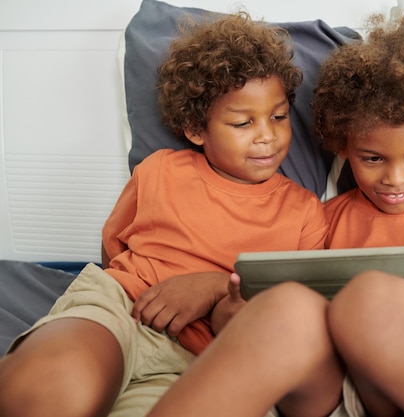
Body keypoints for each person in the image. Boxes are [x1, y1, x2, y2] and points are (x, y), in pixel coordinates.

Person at [145, 18, 404, 417]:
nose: (395, 179)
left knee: (375, 297)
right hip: (359, 383)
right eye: (372, 159)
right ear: (344, 148)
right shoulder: (328, 219)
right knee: (341, 306)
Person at [0, 12, 328, 417]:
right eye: (242, 122)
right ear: (196, 129)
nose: (267, 134)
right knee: (50, 385)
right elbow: (114, 245)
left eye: (278, 116)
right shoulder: (160, 170)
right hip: (121, 310)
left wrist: (212, 287)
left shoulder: (305, 213)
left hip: (199, 359)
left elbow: (291, 307)